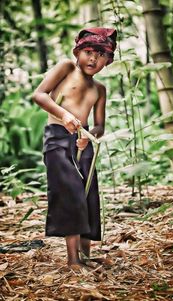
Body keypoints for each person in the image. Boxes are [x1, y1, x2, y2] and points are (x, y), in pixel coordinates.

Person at [33, 27, 117, 268]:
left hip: (84, 140)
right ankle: (73, 260)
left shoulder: (99, 89)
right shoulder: (66, 68)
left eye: (101, 55)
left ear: (108, 61)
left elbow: (100, 125)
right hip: (58, 137)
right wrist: (64, 115)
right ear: (77, 52)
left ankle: (86, 255)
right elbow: (40, 95)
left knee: (88, 194)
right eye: (89, 52)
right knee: (71, 192)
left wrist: (89, 137)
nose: (94, 59)